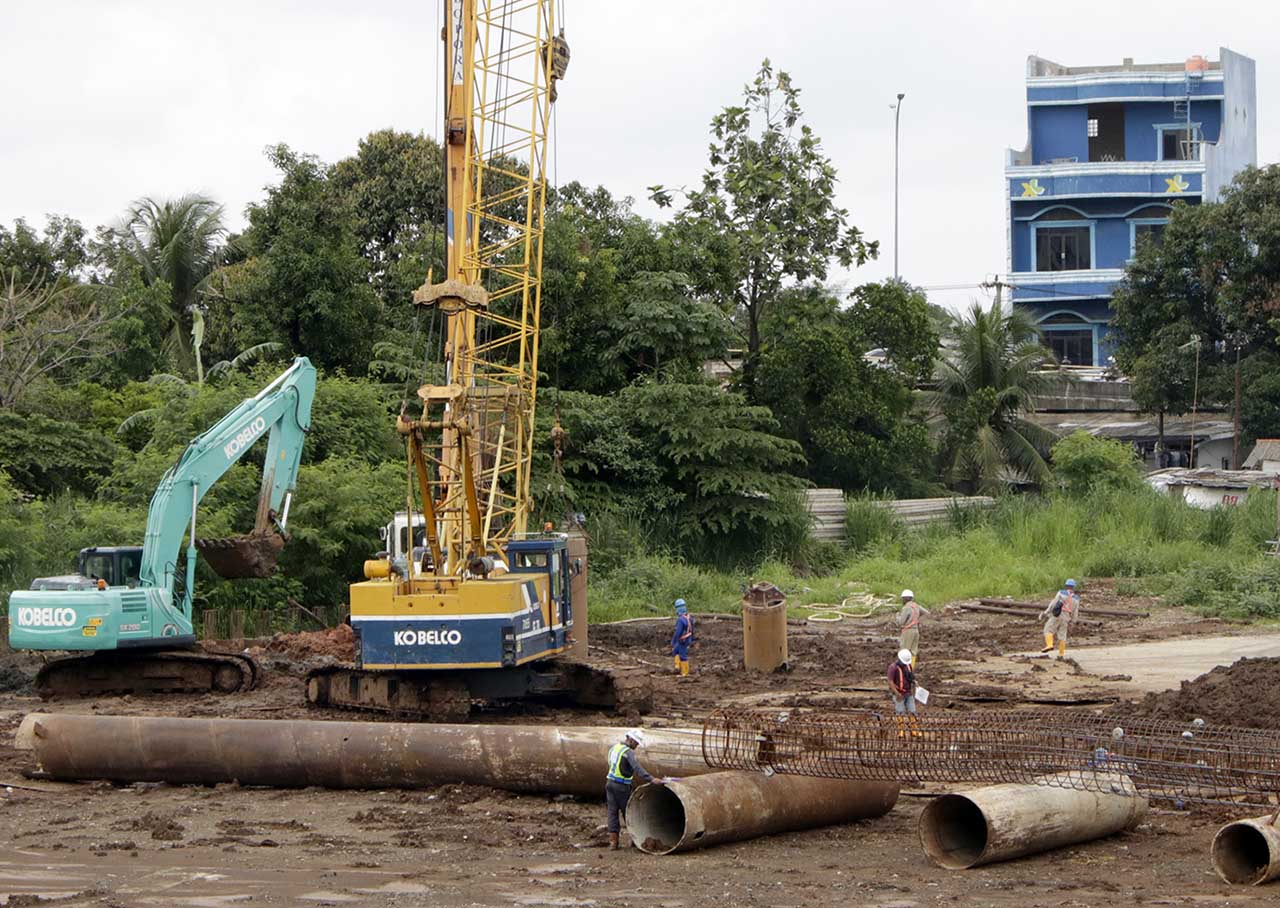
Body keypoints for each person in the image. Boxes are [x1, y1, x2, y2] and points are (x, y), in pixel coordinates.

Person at [605, 729, 664, 849]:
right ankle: (634, 840)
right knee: (628, 812)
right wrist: (652, 779)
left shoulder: (614, 748)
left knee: (612, 812)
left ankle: (613, 842)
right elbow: (638, 769)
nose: (636, 746)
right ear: (631, 740)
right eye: (636, 743)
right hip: (621, 786)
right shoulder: (628, 753)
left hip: (610, 783)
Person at [1040, 579, 1080, 660]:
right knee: (1062, 635)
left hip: (1057, 615)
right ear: (1074, 587)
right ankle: (1061, 654)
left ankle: (1049, 645)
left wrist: (1046, 612)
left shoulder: (1061, 593)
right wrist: (1073, 622)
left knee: (1048, 630)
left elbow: (1053, 603)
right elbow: (1075, 611)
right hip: (1067, 617)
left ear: (1066, 586)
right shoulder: (1076, 598)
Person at [887, 649, 921, 739]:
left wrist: (914, 682)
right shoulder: (893, 667)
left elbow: (910, 677)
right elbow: (890, 682)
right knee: (900, 712)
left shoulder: (908, 665)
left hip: (908, 693)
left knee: (912, 711)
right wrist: (897, 693)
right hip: (899, 694)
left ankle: (914, 730)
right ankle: (901, 731)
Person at [895, 589, 928, 668]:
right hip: (916, 630)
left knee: (904, 651)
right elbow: (926, 612)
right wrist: (915, 618)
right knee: (913, 651)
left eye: (903, 598)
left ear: (905, 598)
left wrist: (897, 617)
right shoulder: (916, 606)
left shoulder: (906, 608)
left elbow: (901, 622)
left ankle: (903, 670)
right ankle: (911, 669)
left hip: (908, 631)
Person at [671, 599, 694, 678]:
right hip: (688, 638)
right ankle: (677, 666)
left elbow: (678, 632)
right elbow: (692, 630)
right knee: (675, 651)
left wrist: (673, 641)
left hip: (682, 640)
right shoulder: (689, 617)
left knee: (683, 655)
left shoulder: (681, 620)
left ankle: (685, 672)